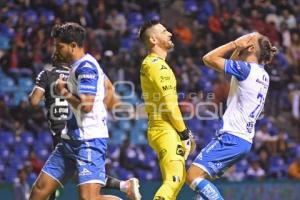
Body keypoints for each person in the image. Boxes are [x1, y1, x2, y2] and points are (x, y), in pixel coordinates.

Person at [29, 22, 138, 200]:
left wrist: (63, 92)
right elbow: (108, 88)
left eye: (59, 46)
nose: (56, 50)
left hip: (89, 140)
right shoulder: (78, 66)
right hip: (69, 139)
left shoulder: (86, 68)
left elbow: (86, 107)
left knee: (89, 199)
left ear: (72, 46)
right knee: (39, 191)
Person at [186, 32, 277, 199]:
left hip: (232, 137)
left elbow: (208, 59)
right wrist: (241, 47)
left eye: (248, 38)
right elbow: (234, 63)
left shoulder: (246, 70)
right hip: (243, 139)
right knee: (202, 182)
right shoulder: (263, 74)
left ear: (250, 48)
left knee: (193, 176)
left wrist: (235, 44)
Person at [139, 20, 196, 200]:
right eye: (164, 31)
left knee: (176, 181)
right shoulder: (157, 66)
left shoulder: (152, 63)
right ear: (154, 40)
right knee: (174, 179)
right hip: (164, 129)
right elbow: (171, 106)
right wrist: (184, 134)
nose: (170, 33)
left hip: (163, 129)